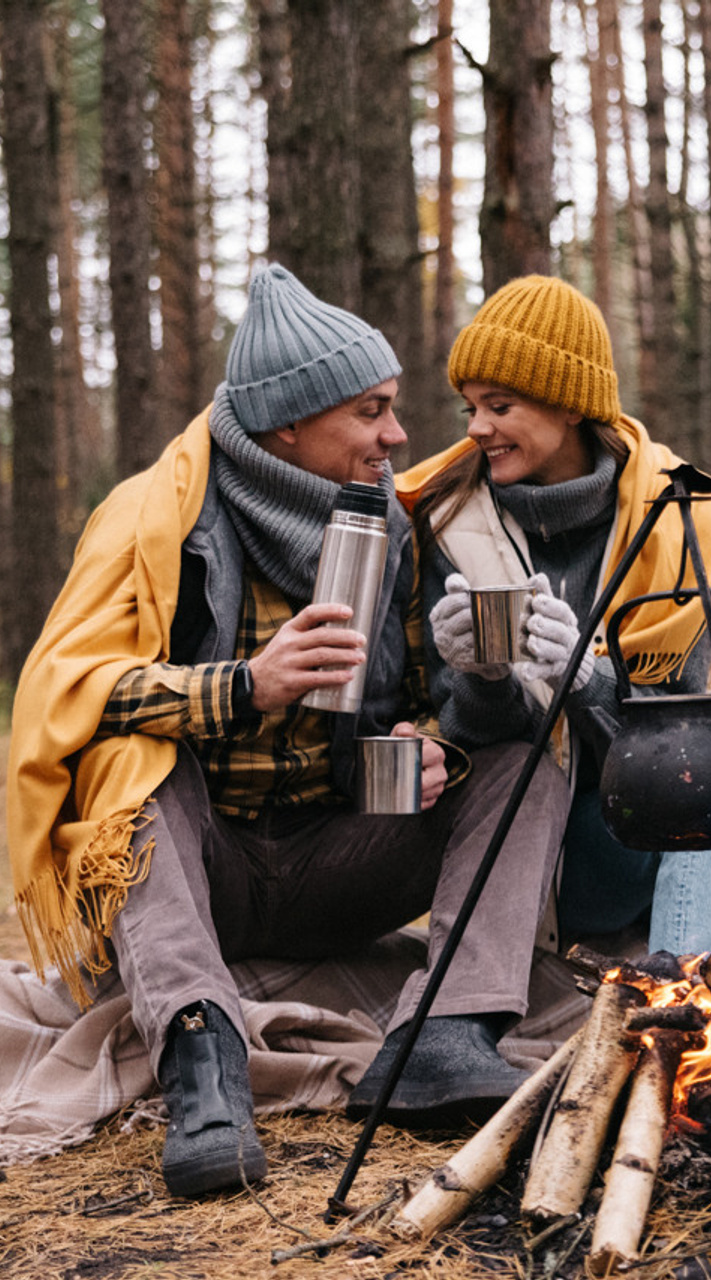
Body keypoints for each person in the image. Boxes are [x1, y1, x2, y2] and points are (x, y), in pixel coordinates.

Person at [5, 264, 568, 1199]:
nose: (397, 435)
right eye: (370, 412)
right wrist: (244, 688)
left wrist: (428, 740)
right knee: (130, 764)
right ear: (288, 425)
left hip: (335, 858)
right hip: (201, 874)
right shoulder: (157, 521)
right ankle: (204, 1064)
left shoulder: (392, 527)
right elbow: (69, 691)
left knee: (518, 758)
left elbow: (428, 696)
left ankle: (445, 1034)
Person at [395, 274, 711, 962]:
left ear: (569, 405)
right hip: (564, 852)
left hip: (686, 812)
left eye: (499, 405)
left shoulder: (677, 513)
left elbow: (709, 724)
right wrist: (483, 678)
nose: (476, 427)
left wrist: (588, 682)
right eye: (471, 407)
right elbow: (471, 742)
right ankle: (679, 998)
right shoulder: (449, 524)